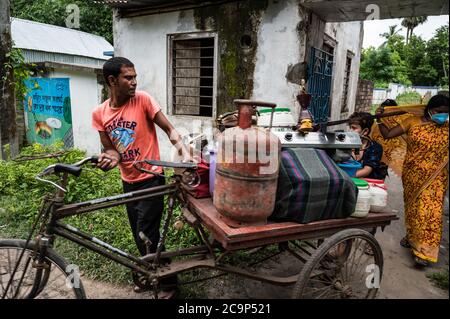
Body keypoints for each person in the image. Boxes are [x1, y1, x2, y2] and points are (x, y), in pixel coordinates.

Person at [92, 57, 192, 298]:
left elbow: (169, 129)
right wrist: (111, 160)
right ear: (112, 80)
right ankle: (152, 273)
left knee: (147, 233)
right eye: (129, 78)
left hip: (152, 178)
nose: (134, 82)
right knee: (139, 232)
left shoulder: (143, 100)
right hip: (128, 181)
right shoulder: (100, 114)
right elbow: (111, 150)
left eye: (135, 77)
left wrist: (185, 152)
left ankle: (168, 284)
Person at [375, 94, 449, 267]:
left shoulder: (447, 127)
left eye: (447, 113)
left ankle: (424, 252)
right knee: (413, 208)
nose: (443, 116)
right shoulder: (412, 121)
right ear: (430, 109)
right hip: (412, 175)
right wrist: (379, 120)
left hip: (437, 177)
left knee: (432, 213)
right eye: (440, 111)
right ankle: (412, 237)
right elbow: (388, 135)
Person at [348, 111, 385, 179]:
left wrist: (345, 176)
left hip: (366, 183)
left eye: (354, 128)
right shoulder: (345, 143)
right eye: (349, 127)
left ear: (365, 131)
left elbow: (366, 171)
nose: (350, 131)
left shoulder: (374, 147)